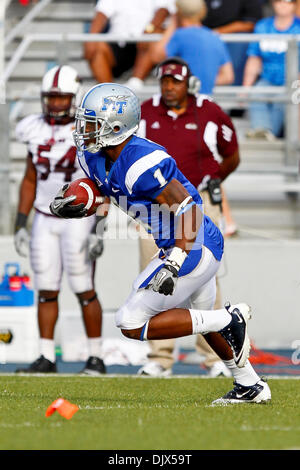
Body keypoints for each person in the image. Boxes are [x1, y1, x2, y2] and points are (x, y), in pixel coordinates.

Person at [50, 82, 271, 404]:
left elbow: (190, 212)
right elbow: (104, 187)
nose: (84, 130)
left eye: (92, 123)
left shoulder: (143, 161)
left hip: (194, 242)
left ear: (115, 126)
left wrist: (175, 260)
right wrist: (82, 197)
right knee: (202, 320)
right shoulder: (92, 155)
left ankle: (229, 318)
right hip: (182, 242)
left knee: (130, 321)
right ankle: (249, 384)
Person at [135, 57, 241, 377]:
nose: (169, 87)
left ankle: (213, 357)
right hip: (155, 205)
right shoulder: (145, 112)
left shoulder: (209, 111)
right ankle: (160, 356)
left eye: (176, 81)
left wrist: (215, 178)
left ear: (190, 83)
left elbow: (232, 153)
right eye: (164, 81)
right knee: (154, 274)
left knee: (206, 274)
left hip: (197, 202)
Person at [14, 65, 106, 375]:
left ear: (75, 97)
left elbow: (102, 179)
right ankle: (46, 356)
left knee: (83, 285)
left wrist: (101, 226)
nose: (55, 104)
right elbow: (30, 179)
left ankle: (95, 357)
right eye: (50, 98)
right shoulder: (32, 128)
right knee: (46, 288)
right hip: (43, 217)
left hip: (78, 218)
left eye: (61, 97)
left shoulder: (88, 129)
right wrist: (20, 221)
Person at [128, 0, 234, 93]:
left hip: (183, 104)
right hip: (204, 102)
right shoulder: (214, 37)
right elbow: (228, 77)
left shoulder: (180, 36)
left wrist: (173, 24)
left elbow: (156, 56)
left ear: (179, 12)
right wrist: (200, 81)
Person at [243, 0, 300, 140]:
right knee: (256, 93)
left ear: (294, 4)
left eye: (288, 1)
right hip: (267, 79)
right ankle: (262, 132)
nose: (282, 4)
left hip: (292, 81)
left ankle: (266, 134)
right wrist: (245, 88)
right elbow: (254, 59)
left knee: (282, 100)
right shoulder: (262, 26)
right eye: (278, 0)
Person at [84, 0, 175, 87]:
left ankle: (135, 83)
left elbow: (163, 10)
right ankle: (110, 92)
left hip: (146, 42)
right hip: (118, 42)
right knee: (95, 45)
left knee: (154, 35)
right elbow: (102, 13)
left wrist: (149, 29)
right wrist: (91, 38)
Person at [202, 0, 263, 87]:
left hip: (236, 38)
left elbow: (251, 23)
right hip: (207, 37)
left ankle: (234, 93)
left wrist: (218, 32)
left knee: (240, 43)